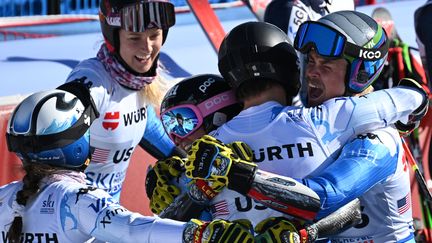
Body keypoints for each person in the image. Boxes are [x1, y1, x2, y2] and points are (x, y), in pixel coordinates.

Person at [184, 13, 429, 242]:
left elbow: (327, 198)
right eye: (310, 61)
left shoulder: (377, 137)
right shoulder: (317, 123)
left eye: (327, 64)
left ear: (361, 72)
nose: (311, 73)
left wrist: (234, 172)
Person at [0, 86, 254, 243]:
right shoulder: (77, 199)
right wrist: (199, 234)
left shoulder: (5, 197)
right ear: (75, 144)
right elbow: (133, 231)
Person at [63, 0, 185, 201]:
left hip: (106, 217)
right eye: (134, 38)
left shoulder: (136, 80)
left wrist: (183, 159)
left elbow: (146, 124)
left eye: (154, 36)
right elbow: (52, 139)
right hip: (76, 218)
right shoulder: (94, 81)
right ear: (114, 38)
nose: (147, 48)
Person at [146, 74, 242, 215]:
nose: (176, 139)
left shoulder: (268, 145)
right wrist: (178, 195)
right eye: (169, 127)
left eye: (185, 123)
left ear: (218, 114)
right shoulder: (186, 177)